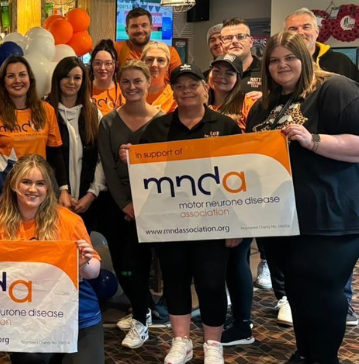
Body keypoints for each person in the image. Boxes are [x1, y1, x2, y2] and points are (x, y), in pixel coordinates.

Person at [247, 31, 359, 364]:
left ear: (306, 57)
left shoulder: (334, 89)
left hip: (330, 216)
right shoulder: (264, 106)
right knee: (297, 293)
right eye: (274, 60)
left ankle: (324, 358)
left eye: (290, 58)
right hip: (283, 218)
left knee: (323, 292)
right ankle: (306, 353)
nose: (282, 65)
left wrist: (314, 140)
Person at [136, 64, 242, 364]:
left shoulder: (225, 125)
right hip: (171, 223)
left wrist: (236, 224)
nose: (186, 91)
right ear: (173, 90)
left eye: (192, 84)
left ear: (204, 88)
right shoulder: (158, 128)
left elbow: (240, 179)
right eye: (180, 86)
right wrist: (131, 157)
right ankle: (181, 340)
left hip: (214, 222)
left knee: (211, 283)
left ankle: (212, 344)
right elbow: (144, 173)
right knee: (175, 281)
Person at [0, 154, 103, 364]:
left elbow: (93, 271)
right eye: (26, 182)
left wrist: (83, 264)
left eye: (40, 183)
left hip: (78, 314)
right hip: (28, 316)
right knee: (31, 359)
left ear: (48, 188)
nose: (33, 189)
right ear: (14, 184)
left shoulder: (69, 220)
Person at [96, 60, 163, 349]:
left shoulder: (163, 121)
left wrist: (140, 203)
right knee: (123, 264)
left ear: (149, 83)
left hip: (152, 204)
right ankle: (142, 308)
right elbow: (108, 168)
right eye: (126, 82)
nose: (132, 87)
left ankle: (141, 317)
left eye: (138, 81)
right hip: (118, 205)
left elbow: (165, 166)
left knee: (140, 263)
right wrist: (125, 203)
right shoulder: (108, 122)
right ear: (118, 84)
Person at [203, 53, 259, 347]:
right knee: (218, 262)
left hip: (238, 194)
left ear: (239, 77)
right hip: (207, 195)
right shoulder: (203, 105)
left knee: (237, 258)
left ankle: (243, 324)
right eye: (217, 71)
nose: (222, 77)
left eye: (230, 72)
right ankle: (226, 316)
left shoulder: (248, 105)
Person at [0, 56, 69, 222]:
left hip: (38, 195)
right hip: (3, 195)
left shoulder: (46, 111)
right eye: (10, 76)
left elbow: (55, 153)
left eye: (22, 75)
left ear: (30, 79)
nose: (17, 80)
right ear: (3, 82)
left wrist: (63, 189)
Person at [47, 57, 107, 233]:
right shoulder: (44, 110)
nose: (71, 82)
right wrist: (60, 192)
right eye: (66, 76)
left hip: (86, 201)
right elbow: (44, 157)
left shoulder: (93, 113)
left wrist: (92, 193)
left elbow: (102, 158)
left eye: (77, 78)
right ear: (57, 79)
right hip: (51, 200)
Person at [285, 7, 359, 82]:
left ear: (317, 32)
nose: (300, 32)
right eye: (293, 29)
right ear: (285, 35)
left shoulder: (341, 62)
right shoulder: (279, 64)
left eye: (306, 27)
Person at [116, 7, 182, 75]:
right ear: (126, 30)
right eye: (134, 26)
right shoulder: (117, 49)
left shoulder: (170, 52)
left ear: (151, 28)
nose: (140, 30)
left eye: (144, 25)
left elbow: (179, 82)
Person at [220, 17, 263, 96]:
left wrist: (267, 99)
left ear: (251, 42)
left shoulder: (267, 71)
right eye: (228, 38)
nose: (234, 41)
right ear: (221, 45)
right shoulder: (213, 75)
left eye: (241, 36)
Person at [90, 39, 124, 115]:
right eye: (98, 63)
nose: (102, 68)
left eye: (108, 63)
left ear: (116, 65)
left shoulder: (123, 90)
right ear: (92, 64)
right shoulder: (84, 89)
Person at [143, 41, 177, 112]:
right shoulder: (131, 92)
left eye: (160, 60)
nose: (154, 64)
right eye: (149, 59)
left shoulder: (174, 97)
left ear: (168, 66)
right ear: (142, 63)